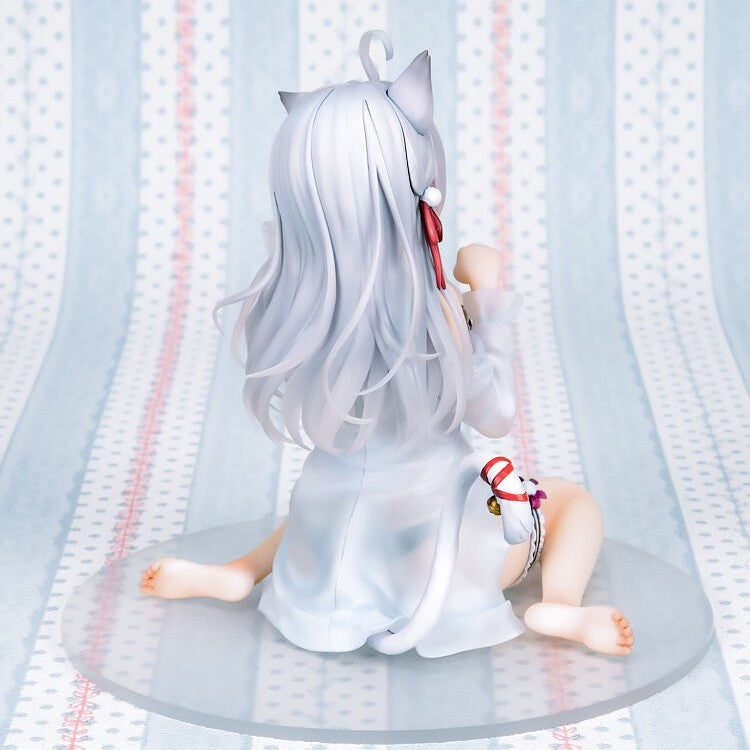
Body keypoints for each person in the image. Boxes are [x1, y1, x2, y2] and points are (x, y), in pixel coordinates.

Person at [140, 31, 633, 658]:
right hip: (438, 554)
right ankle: (560, 605)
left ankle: (240, 572)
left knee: (338, 497)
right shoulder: (433, 317)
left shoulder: (295, 314)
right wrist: (487, 296)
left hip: (325, 556)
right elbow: (495, 413)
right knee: (571, 503)